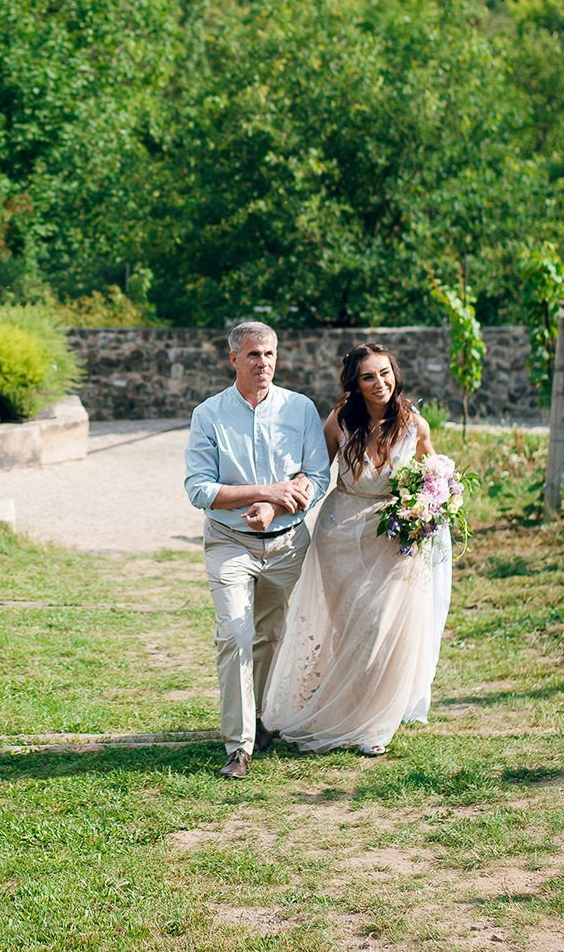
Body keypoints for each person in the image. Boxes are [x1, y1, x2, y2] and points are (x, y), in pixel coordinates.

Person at [261, 342, 449, 757]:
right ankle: (340, 710)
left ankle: (373, 724)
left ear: (395, 374)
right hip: (339, 537)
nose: (379, 383)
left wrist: (429, 507)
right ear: (356, 383)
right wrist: (277, 503)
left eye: (385, 373)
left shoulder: (415, 426)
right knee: (350, 628)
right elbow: (314, 474)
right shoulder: (340, 421)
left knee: (380, 627)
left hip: (393, 538)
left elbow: (434, 477)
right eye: (368, 376)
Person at [183, 321, 329, 779]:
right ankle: (238, 747)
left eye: (269, 354)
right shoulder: (208, 415)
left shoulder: (300, 408)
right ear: (233, 359)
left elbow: (317, 475)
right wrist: (265, 493)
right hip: (229, 542)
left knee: (270, 636)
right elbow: (199, 489)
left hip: (287, 544)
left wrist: (277, 504)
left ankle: (262, 720)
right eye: (253, 354)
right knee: (234, 634)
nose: (263, 362)